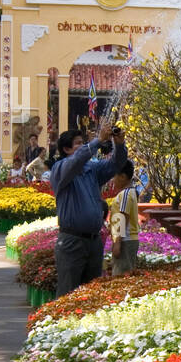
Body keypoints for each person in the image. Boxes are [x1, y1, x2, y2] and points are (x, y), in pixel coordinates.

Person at [50, 122, 126, 296]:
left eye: (83, 143)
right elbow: (76, 161)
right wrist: (97, 141)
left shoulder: (91, 169)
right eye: (78, 143)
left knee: (90, 293)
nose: (83, 147)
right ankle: (63, 323)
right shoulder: (60, 170)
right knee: (68, 293)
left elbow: (117, 163)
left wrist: (119, 144)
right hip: (72, 241)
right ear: (67, 149)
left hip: (93, 241)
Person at [109, 160, 139, 276]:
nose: (112, 180)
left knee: (121, 275)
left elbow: (124, 217)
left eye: (114, 176)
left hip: (126, 240)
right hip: (125, 240)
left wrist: (118, 243)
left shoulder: (126, 194)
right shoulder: (127, 193)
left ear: (122, 177)